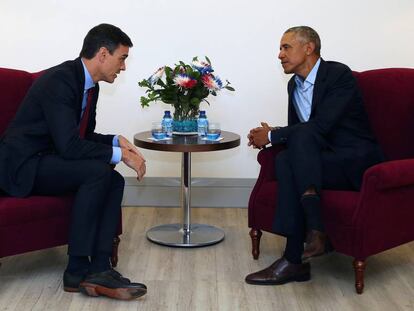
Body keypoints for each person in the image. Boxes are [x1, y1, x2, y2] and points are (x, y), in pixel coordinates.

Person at [0, 24, 147, 300]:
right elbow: (69, 145)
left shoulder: (90, 86)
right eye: (122, 58)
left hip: (49, 158)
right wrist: (120, 156)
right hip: (22, 165)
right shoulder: (60, 80)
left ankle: (100, 268)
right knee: (98, 172)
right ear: (103, 54)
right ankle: (77, 269)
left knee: (112, 177)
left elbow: (83, 135)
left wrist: (116, 141)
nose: (123, 67)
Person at [245, 26, 384, 285]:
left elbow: (319, 126)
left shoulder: (338, 74)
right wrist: (275, 133)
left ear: (308, 48)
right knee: (287, 159)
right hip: (319, 160)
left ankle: (294, 258)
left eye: (286, 47)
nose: (280, 55)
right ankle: (311, 236)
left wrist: (273, 136)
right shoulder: (293, 86)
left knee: (289, 158)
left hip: (353, 162)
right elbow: (303, 133)